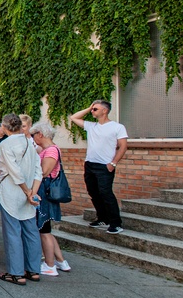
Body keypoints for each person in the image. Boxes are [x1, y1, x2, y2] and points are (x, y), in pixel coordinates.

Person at [0, 113, 43, 286]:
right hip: (30, 190)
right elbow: (39, 169)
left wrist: (26, 191)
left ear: (5, 126)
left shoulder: (6, 144)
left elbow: (14, 171)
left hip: (12, 191)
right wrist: (33, 192)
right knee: (31, 231)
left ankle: (15, 272)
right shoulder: (29, 143)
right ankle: (33, 268)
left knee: (12, 232)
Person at [69, 100, 128, 235]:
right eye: (92, 109)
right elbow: (74, 118)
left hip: (105, 166)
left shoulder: (117, 127)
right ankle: (102, 218)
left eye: (95, 109)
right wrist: (89, 106)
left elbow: (123, 146)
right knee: (93, 193)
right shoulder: (91, 126)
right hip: (90, 164)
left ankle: (116, 223)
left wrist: (113, 163)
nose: (92, 111)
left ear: (104, 111)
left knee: (106, 193)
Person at [30, 122, 72, 275]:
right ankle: (59, 262)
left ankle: (49, 265)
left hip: (44, 194)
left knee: (44, 230)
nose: (33, 138)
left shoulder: (51, 151)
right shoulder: (49, 150)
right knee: (45, 230)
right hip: (45, 193)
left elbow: (44, 172)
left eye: (34, 135)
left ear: (40, 134)